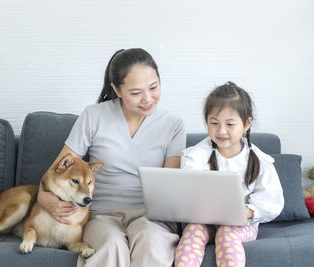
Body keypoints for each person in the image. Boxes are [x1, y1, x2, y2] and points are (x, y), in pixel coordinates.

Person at [37, 48, 186, 267]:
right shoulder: (93, 116)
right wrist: (43, 197)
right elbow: (57, 169)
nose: (147, 99)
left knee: (150, 242)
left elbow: (170, 184)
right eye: (135, 93)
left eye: (153, 87)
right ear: (116, 89)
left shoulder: (173, 124)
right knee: (111, 245)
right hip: (100, 215)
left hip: (151, 217)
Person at [174, 81, 284, 267]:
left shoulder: (259, 160)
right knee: (193, 231)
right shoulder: (195, 156)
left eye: (230, 124)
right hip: (203, 221)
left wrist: (246, 211)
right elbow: (187, 193)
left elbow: (272, 202)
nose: (221, 131)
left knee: (227, 232)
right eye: (214, 123)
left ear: (247, 123)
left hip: (241, 225)